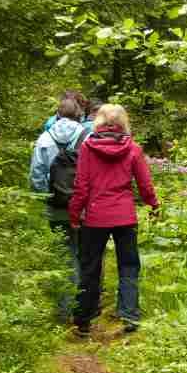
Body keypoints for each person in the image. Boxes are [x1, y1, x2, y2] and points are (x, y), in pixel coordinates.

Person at [68, 104, 159, 336]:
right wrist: (153, 204)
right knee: (128, 266)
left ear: (98, 122)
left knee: (90, 268)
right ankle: (130, 316)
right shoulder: (133, 148)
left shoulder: (87, 147)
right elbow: (144, 183)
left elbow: (81, 185)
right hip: (125, 216)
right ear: (123, 123)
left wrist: (74, 214)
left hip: (95, 217)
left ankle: (83, 321)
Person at [30, 98, 88, 319]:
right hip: (83, 208)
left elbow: (36, 175)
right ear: (79, 115)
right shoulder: (87, 137)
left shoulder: (44, 139)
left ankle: (63, 309)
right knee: (85, 254)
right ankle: (84, 309)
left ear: (57, 114)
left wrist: (48, 197)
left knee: (64, 253)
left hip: (56, 207)